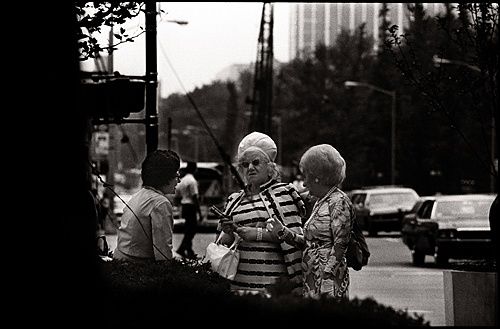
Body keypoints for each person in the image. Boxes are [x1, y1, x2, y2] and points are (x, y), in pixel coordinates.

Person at [217, 131, 306, 295]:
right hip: (237, 288)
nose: (250, 167)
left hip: (272, 290)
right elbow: (221, 246)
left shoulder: (285, 193)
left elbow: (297, 241)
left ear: (270, 167)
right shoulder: (233, 200)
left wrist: (257, 234)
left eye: (256, 162)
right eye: (244, 164)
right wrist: (228, 233)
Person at [266, 144, 354, 299]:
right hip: (313, 278)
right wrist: (284, 233)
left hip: (327, 280)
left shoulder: (339, 202)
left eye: (306, 176)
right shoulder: (321, 202)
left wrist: (328, 277)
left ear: (317, 177)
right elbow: (310, 243)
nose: (304, 183)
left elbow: (340, 244)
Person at [113, 149, 181, 262]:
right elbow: (163, 251)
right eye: (177, 175)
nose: (178, 181)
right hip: (137, 267)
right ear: (165, 177)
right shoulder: (161, 203)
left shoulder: (138, 196)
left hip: (121, 260)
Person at [175, 161, 203, 259]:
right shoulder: (192, 181)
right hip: (191, 206)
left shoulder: (183, 180)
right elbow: (195, 197)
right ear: (194, 169)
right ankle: (183, 249)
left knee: (188, 229)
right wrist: (199, 212)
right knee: (191, 230)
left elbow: (177, 194)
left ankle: (187, 250)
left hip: (184, 205)